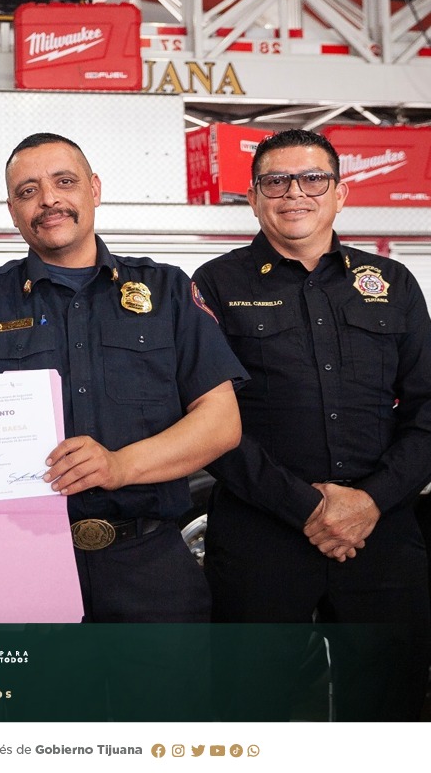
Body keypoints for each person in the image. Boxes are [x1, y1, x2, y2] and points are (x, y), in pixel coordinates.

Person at [0, 133, 246, 719]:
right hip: (24, 574)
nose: (48, 200)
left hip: (150, 567)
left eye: (64, 182)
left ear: (94, 190)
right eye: (28, 191)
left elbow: (221, 424)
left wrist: (120, 465)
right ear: (13, 210)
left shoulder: (167, 288)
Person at [192, 128, 431, 721]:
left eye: (312, 178)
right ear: (253, 198)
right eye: (275, 180)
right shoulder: (214, 285)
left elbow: (429, 410)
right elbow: (206, 419)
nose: (294, 192)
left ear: (341, 193)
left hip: (383, 538)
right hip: (259, 537)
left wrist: (370, 502)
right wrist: (307, 507)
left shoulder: (394, 285)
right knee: (253, 712)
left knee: (388, 710)